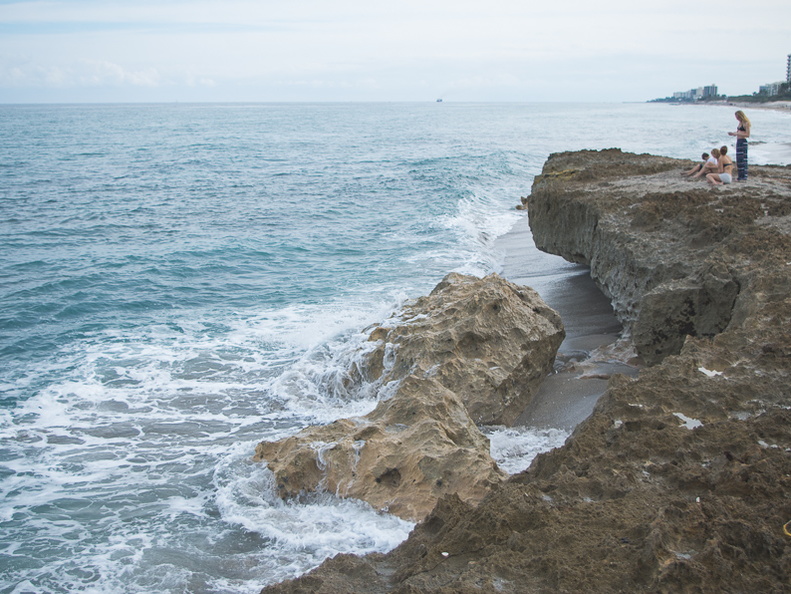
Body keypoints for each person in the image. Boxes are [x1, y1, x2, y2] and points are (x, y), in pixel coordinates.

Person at [728, 110, 751, 181]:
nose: (737, 118)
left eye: (737, 116)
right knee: (739, 159)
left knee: (743, 159)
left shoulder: (746, 123)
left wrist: (737, 134)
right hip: (738, 141)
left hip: (743, 141)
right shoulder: (740, 123)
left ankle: (744, 176)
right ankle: (740, 175)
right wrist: (733, 133)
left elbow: (747, 134)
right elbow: (739, 132)